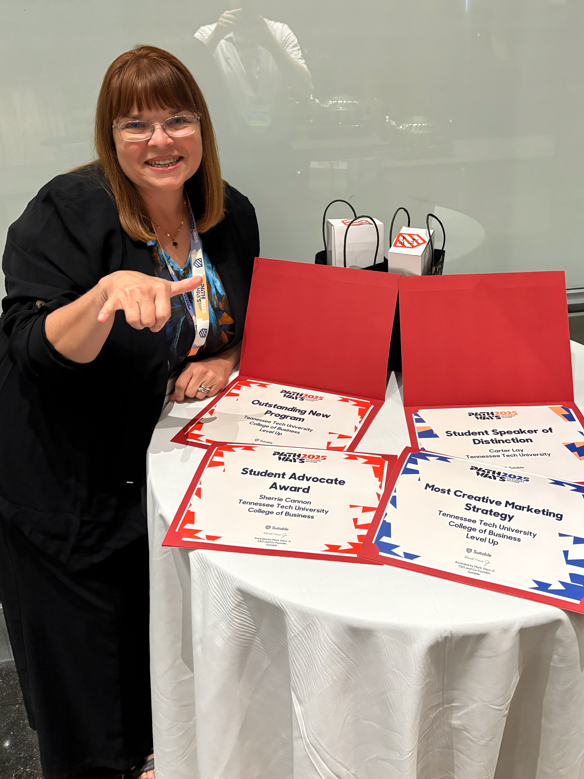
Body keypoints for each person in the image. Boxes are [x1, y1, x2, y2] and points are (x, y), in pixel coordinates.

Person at [0, 46, 259, 779]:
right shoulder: (68, 212)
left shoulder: (229, 213)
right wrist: (103, 297)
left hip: (156, 482)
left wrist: (224, 360)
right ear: (109, 137)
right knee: (88, 707)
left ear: (202, 128)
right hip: (66, 493)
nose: (160, 140)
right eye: (135, 124)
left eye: (177, 119)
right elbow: (31, 348)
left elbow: (245, 322)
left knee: (160, 680)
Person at [194, 0, 312, 142]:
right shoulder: (208, 34)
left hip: (278, 142)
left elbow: (305, 89)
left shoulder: (280, 33)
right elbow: (185, 84)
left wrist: (272, 45)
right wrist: (215, 37)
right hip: (229, 144)